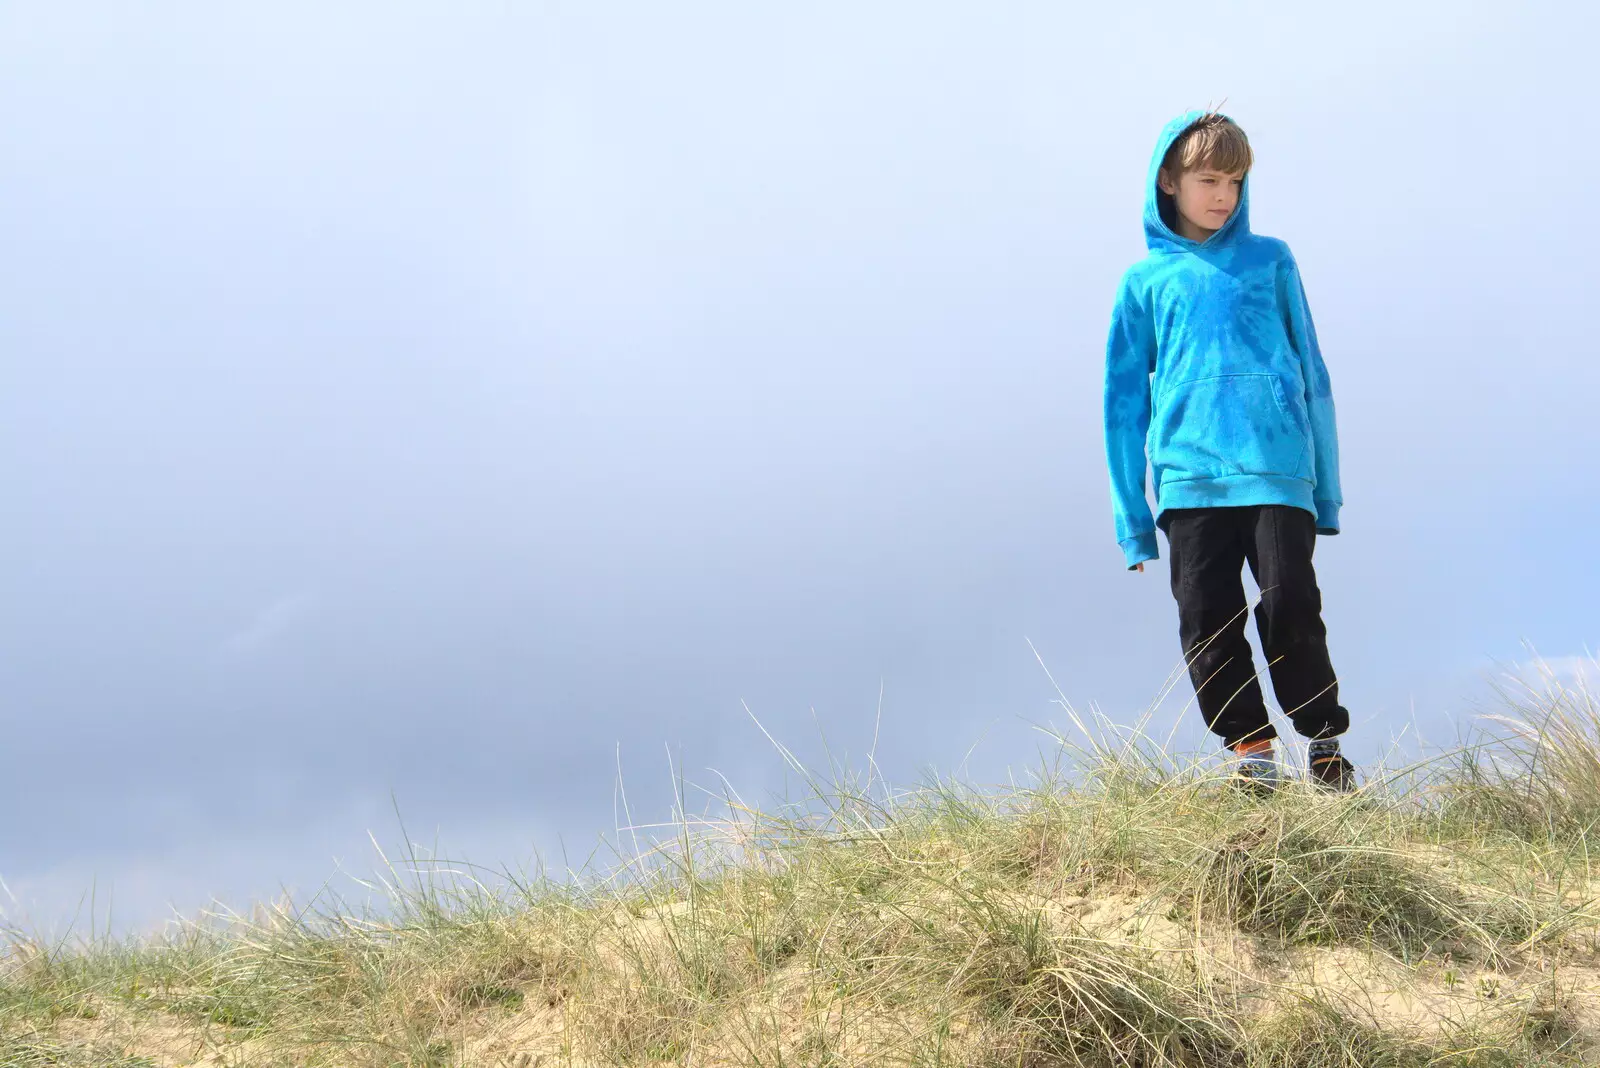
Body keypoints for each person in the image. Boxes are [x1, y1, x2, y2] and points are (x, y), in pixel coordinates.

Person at [1102, 110, 1356, 791]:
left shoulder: (1270, 259)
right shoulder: (1143, 283)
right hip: (1189, 482)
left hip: (1277, 471)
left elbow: (1313, 372)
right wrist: (1132, 520)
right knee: (1207, 622)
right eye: (1208, 179)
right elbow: (1122, 405)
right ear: (1169, 180)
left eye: (1236, 181)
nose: (1223, 196)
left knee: (1291, 602)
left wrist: (1324, 489)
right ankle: (1252, 752)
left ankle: (1325, 744)